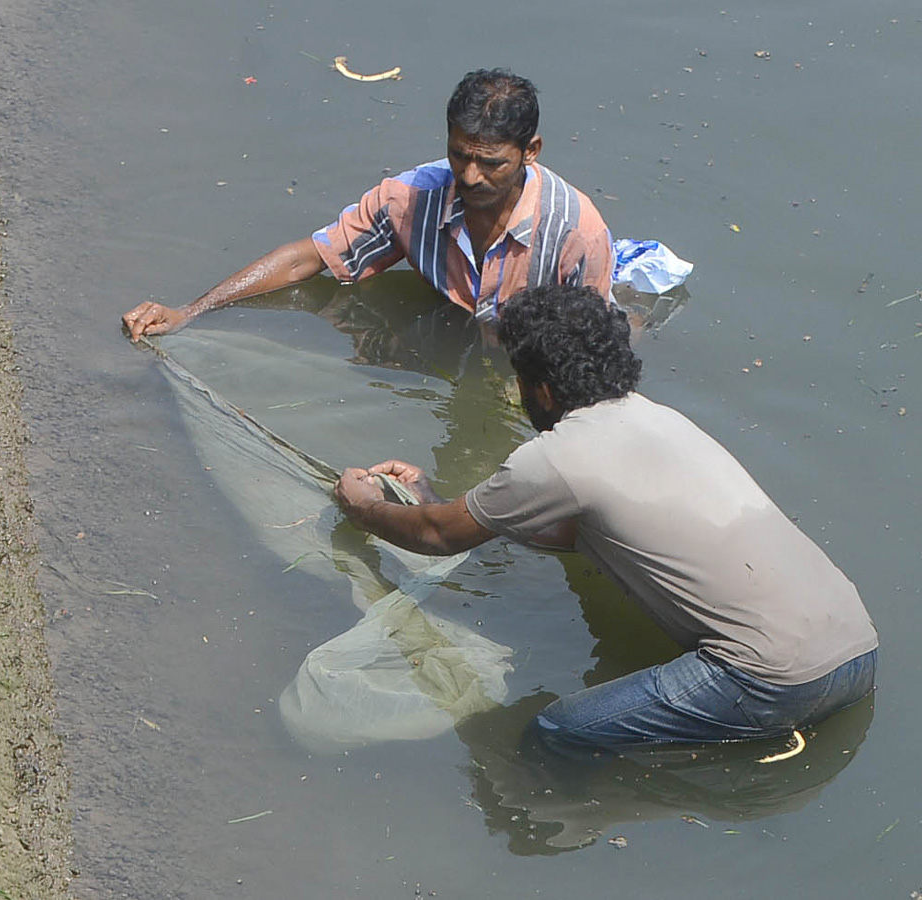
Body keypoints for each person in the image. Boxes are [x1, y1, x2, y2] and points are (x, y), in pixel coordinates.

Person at [334, 284, 878, 748]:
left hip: (772, 682)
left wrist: (363, 507)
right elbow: (572, 531)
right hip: (857, 652)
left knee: (553, 729)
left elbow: (436, 537)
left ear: (542, 389)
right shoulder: (660, 420)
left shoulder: (556, 455)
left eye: (520, 380)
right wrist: (437, 500)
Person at [123, 69, 615, 340]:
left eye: (491, 163)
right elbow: (307, 258)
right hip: (451, 326)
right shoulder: (411, 199)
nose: (469, 176)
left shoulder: (575, 234)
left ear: (531, 152)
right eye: (459, 155)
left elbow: (597, 347)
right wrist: (191, 311)